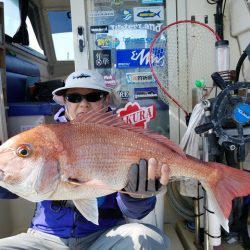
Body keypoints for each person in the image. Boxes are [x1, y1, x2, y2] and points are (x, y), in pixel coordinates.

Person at [0, 69, 171, 250]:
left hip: (104, 237)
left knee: (148, 239)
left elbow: (136, 212)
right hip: (45, 239)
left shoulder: (125, 137)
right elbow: (12, 187)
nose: (83, 104)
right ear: (65, 102)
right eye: (74, 97)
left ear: (106, 100)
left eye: (93, 96)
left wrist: (137, 197)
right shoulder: (44, 138)